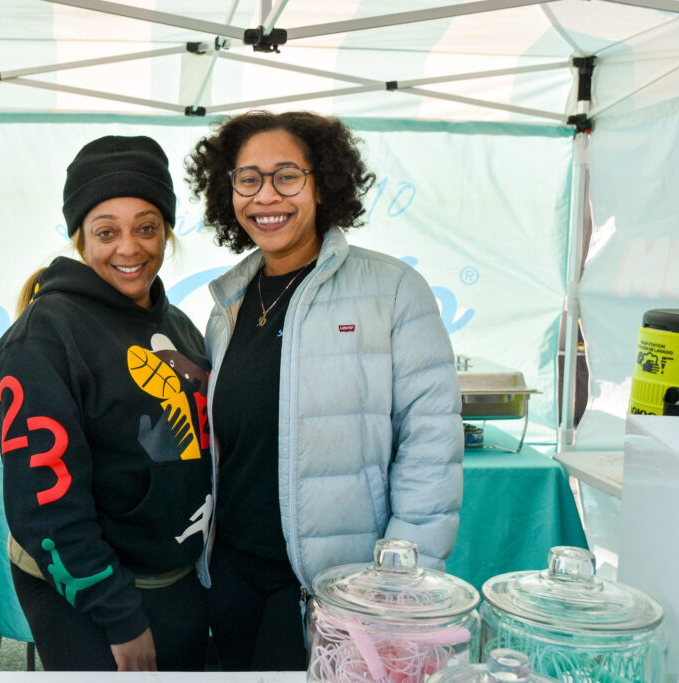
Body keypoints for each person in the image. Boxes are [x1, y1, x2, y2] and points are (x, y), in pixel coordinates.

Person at [184, 111, 463, 670]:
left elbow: (431, 441)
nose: (267, 196)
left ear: (322, 183)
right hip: (234, 571)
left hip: (335, 583)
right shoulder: (228, 305)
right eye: (248, 179)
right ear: (227, 191)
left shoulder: (392, 290)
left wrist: (397, 584)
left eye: (288, 175)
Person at [0, 135, 212, 672]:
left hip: (175, 580)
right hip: (96, 596)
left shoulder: (177, 325)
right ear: (80, 238)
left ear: (167, 233)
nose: (130, 248)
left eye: (146, 227)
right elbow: (45, 501)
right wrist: (118, 615)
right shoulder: (44, 336)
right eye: (107, 231)